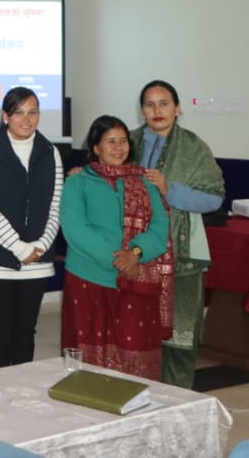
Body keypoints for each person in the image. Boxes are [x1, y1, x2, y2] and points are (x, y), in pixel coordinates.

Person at [61, 115, 172, 380]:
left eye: (123, 141)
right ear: (96, 147)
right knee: (88, 359)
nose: (119, 147)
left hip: (136, 279)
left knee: (135, 356)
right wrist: (118, 261)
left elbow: (160, 226)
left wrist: (135, 253)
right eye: (111, 141)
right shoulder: (77, 182)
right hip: (88, 278)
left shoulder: (144, 182)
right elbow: (75, 229)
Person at [131, 80, 224, 388]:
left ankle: (179, 403)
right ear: (142, 110)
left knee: (179, 342)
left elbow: (214, 198)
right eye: (150, 104)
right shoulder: (126, 143)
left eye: (164, 103)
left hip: (181, 259)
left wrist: (169, 189)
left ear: (177, 108)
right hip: (133, 256)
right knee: (135, 338)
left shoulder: (194, 148)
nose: (157, 110)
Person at [0, 87, 62, 370]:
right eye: (19, 112)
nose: (26, 119)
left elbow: (56, 205)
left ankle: (22, 388)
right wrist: (20, 248)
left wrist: (40, 245)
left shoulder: (51, 152)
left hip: (38, 259)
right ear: (5, 116)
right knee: (1, 328)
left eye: (33, 112)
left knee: (26, 330)